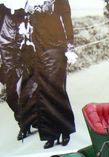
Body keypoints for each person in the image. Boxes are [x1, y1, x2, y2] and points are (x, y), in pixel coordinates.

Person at [21, 0, 76, 149]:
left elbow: (67, 21)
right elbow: (27, 22)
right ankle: (51, 135)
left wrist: (70, 47)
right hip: (38, 49)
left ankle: (65, 131)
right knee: (43, 92)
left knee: (56, 89)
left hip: (56, 48)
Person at [0, 2, 32, 141]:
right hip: (6, 54)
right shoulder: (2, 10)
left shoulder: (27, 9)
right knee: (11, 94)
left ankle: (27, 122)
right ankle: (24, 121)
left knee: (28, 89)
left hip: (23, 51)